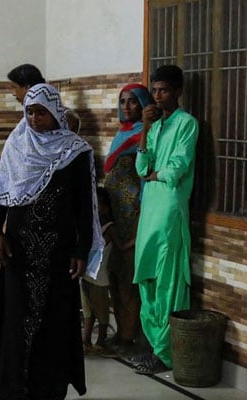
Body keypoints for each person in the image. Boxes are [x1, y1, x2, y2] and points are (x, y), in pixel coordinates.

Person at [0, 83, 103, 399]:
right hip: (18, 253)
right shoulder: (17, 145)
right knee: (16, 321)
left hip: (57, 254)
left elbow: (84, 206)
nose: (35, 119)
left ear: (55, 113)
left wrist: (81, 250)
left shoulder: (75, 151)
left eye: (42, 112)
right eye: (30, 112)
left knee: (54, 321)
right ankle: (14, 386)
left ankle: (49, 388)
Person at [131, 65, 198, 375]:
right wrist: (145, 128)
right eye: (154, 91)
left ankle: (164, 352)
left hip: (170, 206)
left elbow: (177, 167)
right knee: (146, 274)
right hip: (151, 206)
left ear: (178, 92)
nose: (158, 96)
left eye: (164, 90)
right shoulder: (155, 125)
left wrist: (156, 175)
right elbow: (142, 167)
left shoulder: (187, 123)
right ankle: (153, 344)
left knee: (167, 277)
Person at [103, 83, 152, 353]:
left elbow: (145, 176)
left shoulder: (146, 135)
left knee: (130, 279)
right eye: (122, 101)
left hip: (134, 215)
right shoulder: (121, 133)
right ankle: (122, 331)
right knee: (115, 276)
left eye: (133, 101)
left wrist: (144, 214)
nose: (126, 107)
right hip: (114, 216)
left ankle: (130, 337)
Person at [81, 188, 132, 357]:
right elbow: (122, 247)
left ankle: (89, 342)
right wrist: (138, 238)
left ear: (106, 207)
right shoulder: (107, 227)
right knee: (100, 313)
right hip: (97, 277)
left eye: (98, 205)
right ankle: (98, 343)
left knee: (91, 312)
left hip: (88, 275)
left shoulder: (98, 227)